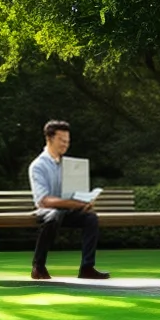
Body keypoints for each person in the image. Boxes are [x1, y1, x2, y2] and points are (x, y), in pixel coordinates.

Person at [28, 119, 110, 281]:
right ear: (49, 139)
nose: (65, 144)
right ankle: (38, 266)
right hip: (46, 212)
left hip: (67, 210)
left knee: (91, 218)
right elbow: (43, 201)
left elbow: (74, 193)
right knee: (54, 215)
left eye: (67, 141)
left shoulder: (69, 165)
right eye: (62, 140)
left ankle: (87, 268)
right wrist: (76, 204)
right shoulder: (38, 166)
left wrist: (85, 201)